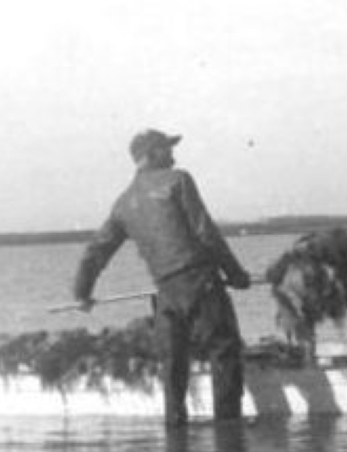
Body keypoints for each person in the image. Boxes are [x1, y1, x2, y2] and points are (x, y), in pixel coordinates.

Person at [73, 129, 251, 426]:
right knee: (224, 350)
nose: (173, 154)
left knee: (173, 364)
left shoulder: (123, 204)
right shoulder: (178, 180)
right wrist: (235, 274)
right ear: (152, 154)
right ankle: (229, 434)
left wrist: (82, 293)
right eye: (167, 149)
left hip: (166, 293)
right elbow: (205, 232)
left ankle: (175, 436)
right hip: (199, 282)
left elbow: (96, 251)